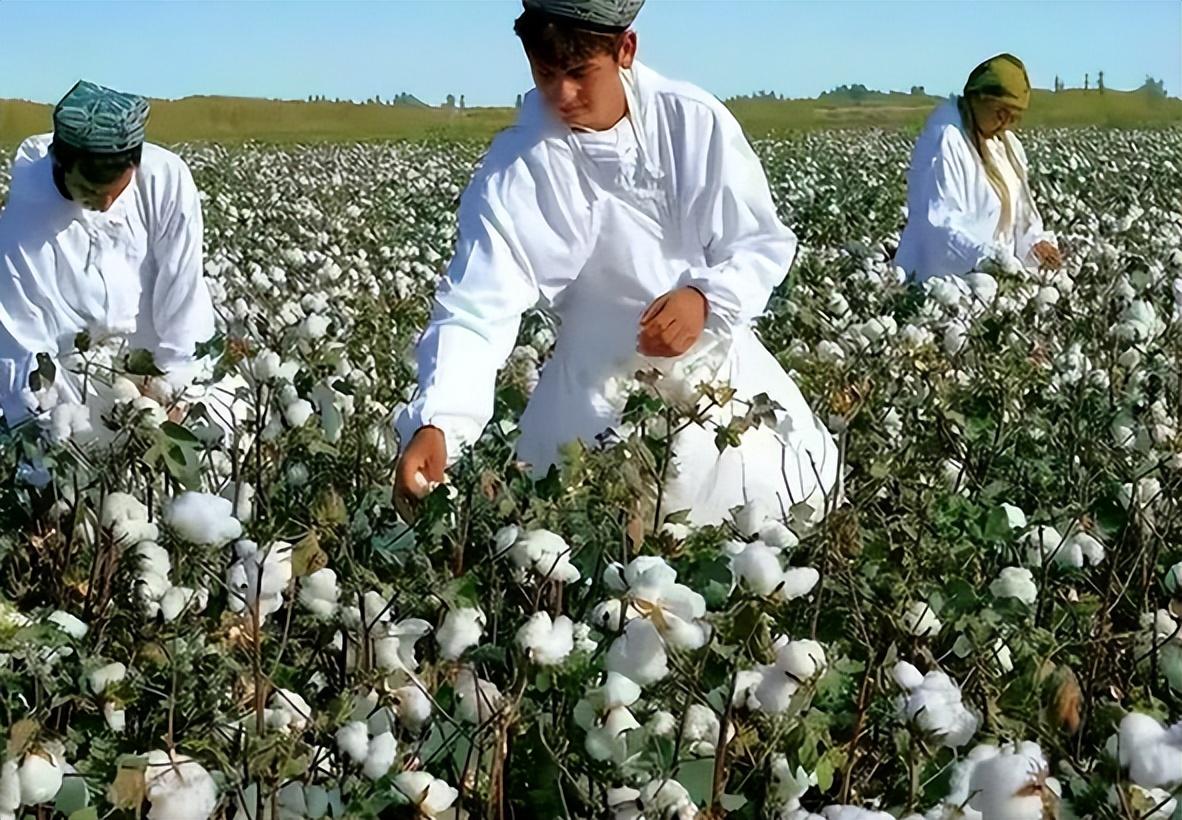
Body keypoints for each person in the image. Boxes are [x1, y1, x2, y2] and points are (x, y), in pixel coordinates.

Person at [394, 0, 838, 526]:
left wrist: (704, 300)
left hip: (715, 381)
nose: (562, 94)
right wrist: (439, 421)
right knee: (590, 558)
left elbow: (759, 243)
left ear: (625, 49)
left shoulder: (692, 123)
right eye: (545, 73)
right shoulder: (517, 169)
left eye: (580, 73)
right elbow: (474, 307)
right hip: (591, 400)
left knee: (754, 535)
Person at [0, 80, 216, 426]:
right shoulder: (24, 226)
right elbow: (24, 343)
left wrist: (175, 387)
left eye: (117, 191)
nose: (104, 204)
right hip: (76, 384)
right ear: (60, 164)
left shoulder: (164, 179)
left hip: (160, 360)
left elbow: (182, 286)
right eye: (89, 189)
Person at [895, 54, 1062, 283]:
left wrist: (1036, 243)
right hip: (942, 289)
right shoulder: (945, 139)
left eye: (1013, 117)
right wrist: (987, 259)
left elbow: (1021, 213)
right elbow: (938, 226)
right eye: (1000, 112)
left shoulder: (1006, 145)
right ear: (978, 98)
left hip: (991, 283)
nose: (1005, 123)